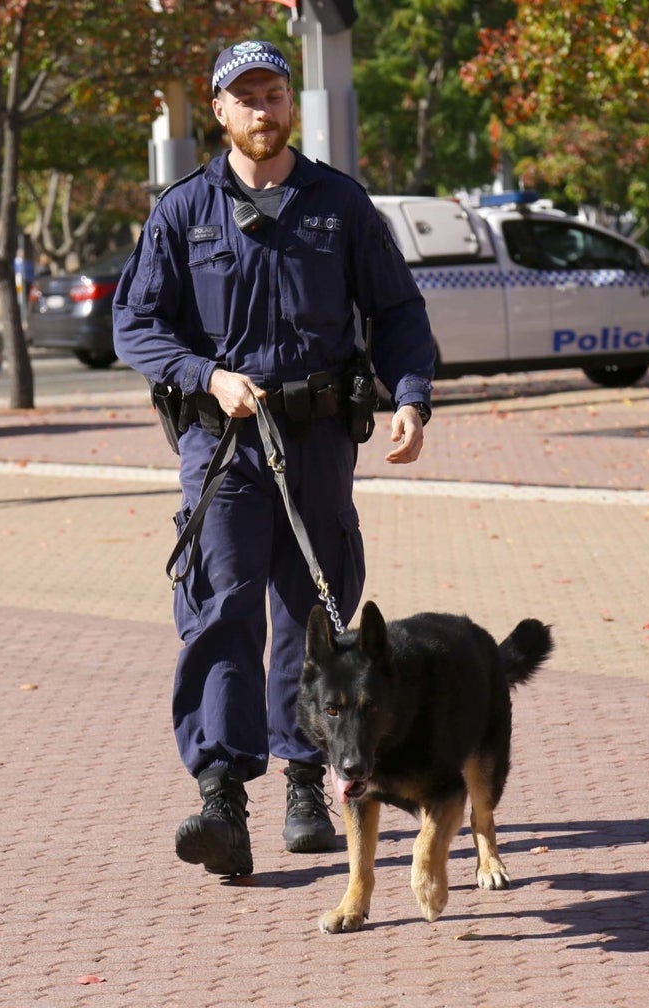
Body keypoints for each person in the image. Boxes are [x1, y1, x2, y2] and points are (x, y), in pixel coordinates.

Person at [112, 39, 435, 877]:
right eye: (245, 97)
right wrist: (205, 375)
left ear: (292, 104)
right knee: (219, 612)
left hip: (320, 439)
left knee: (315, 615)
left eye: (274, 93)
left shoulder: (339, 203)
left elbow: (397, 310)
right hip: (222, 449)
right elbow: (137, 327)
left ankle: (305, 783)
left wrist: (409, 397)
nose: (263, 109)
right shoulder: (182, 211)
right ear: (218, 111)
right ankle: (221, 797)